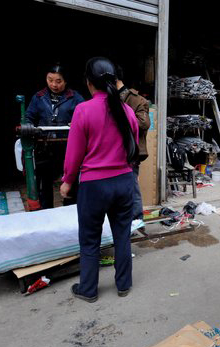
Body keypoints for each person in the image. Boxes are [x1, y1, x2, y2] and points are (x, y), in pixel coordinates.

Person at [60, 57, 139, 302]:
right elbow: (133, 148)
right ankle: (124, 285)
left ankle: (89, 290)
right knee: (122, 236)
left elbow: (74, 154)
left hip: (94, 186)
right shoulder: (127, 110)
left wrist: (67, 180)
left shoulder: (83, 110)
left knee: (90, 239)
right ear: (115, 82)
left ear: (89, 83)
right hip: (124, 182)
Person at [26, 63, 85, 208]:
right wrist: (29, 126)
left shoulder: (76, 98)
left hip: (68, 148)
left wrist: (76, 122)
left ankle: (70, 211)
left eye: (58, 81)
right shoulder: (38, 97)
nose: (54, 84)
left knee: (70, 182)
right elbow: (29, 117)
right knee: (44, 184)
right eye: (50, 80)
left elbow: (86, 116)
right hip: (44, 147)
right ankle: (47, 213)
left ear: (65, 81)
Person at [116, 66, 150, 223]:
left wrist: (120, 119)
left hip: (130, 151)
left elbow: (144, 123)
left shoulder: (136, 99)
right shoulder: (108, 97)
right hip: (113, 151)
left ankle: (137, 220)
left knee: (131, 187)